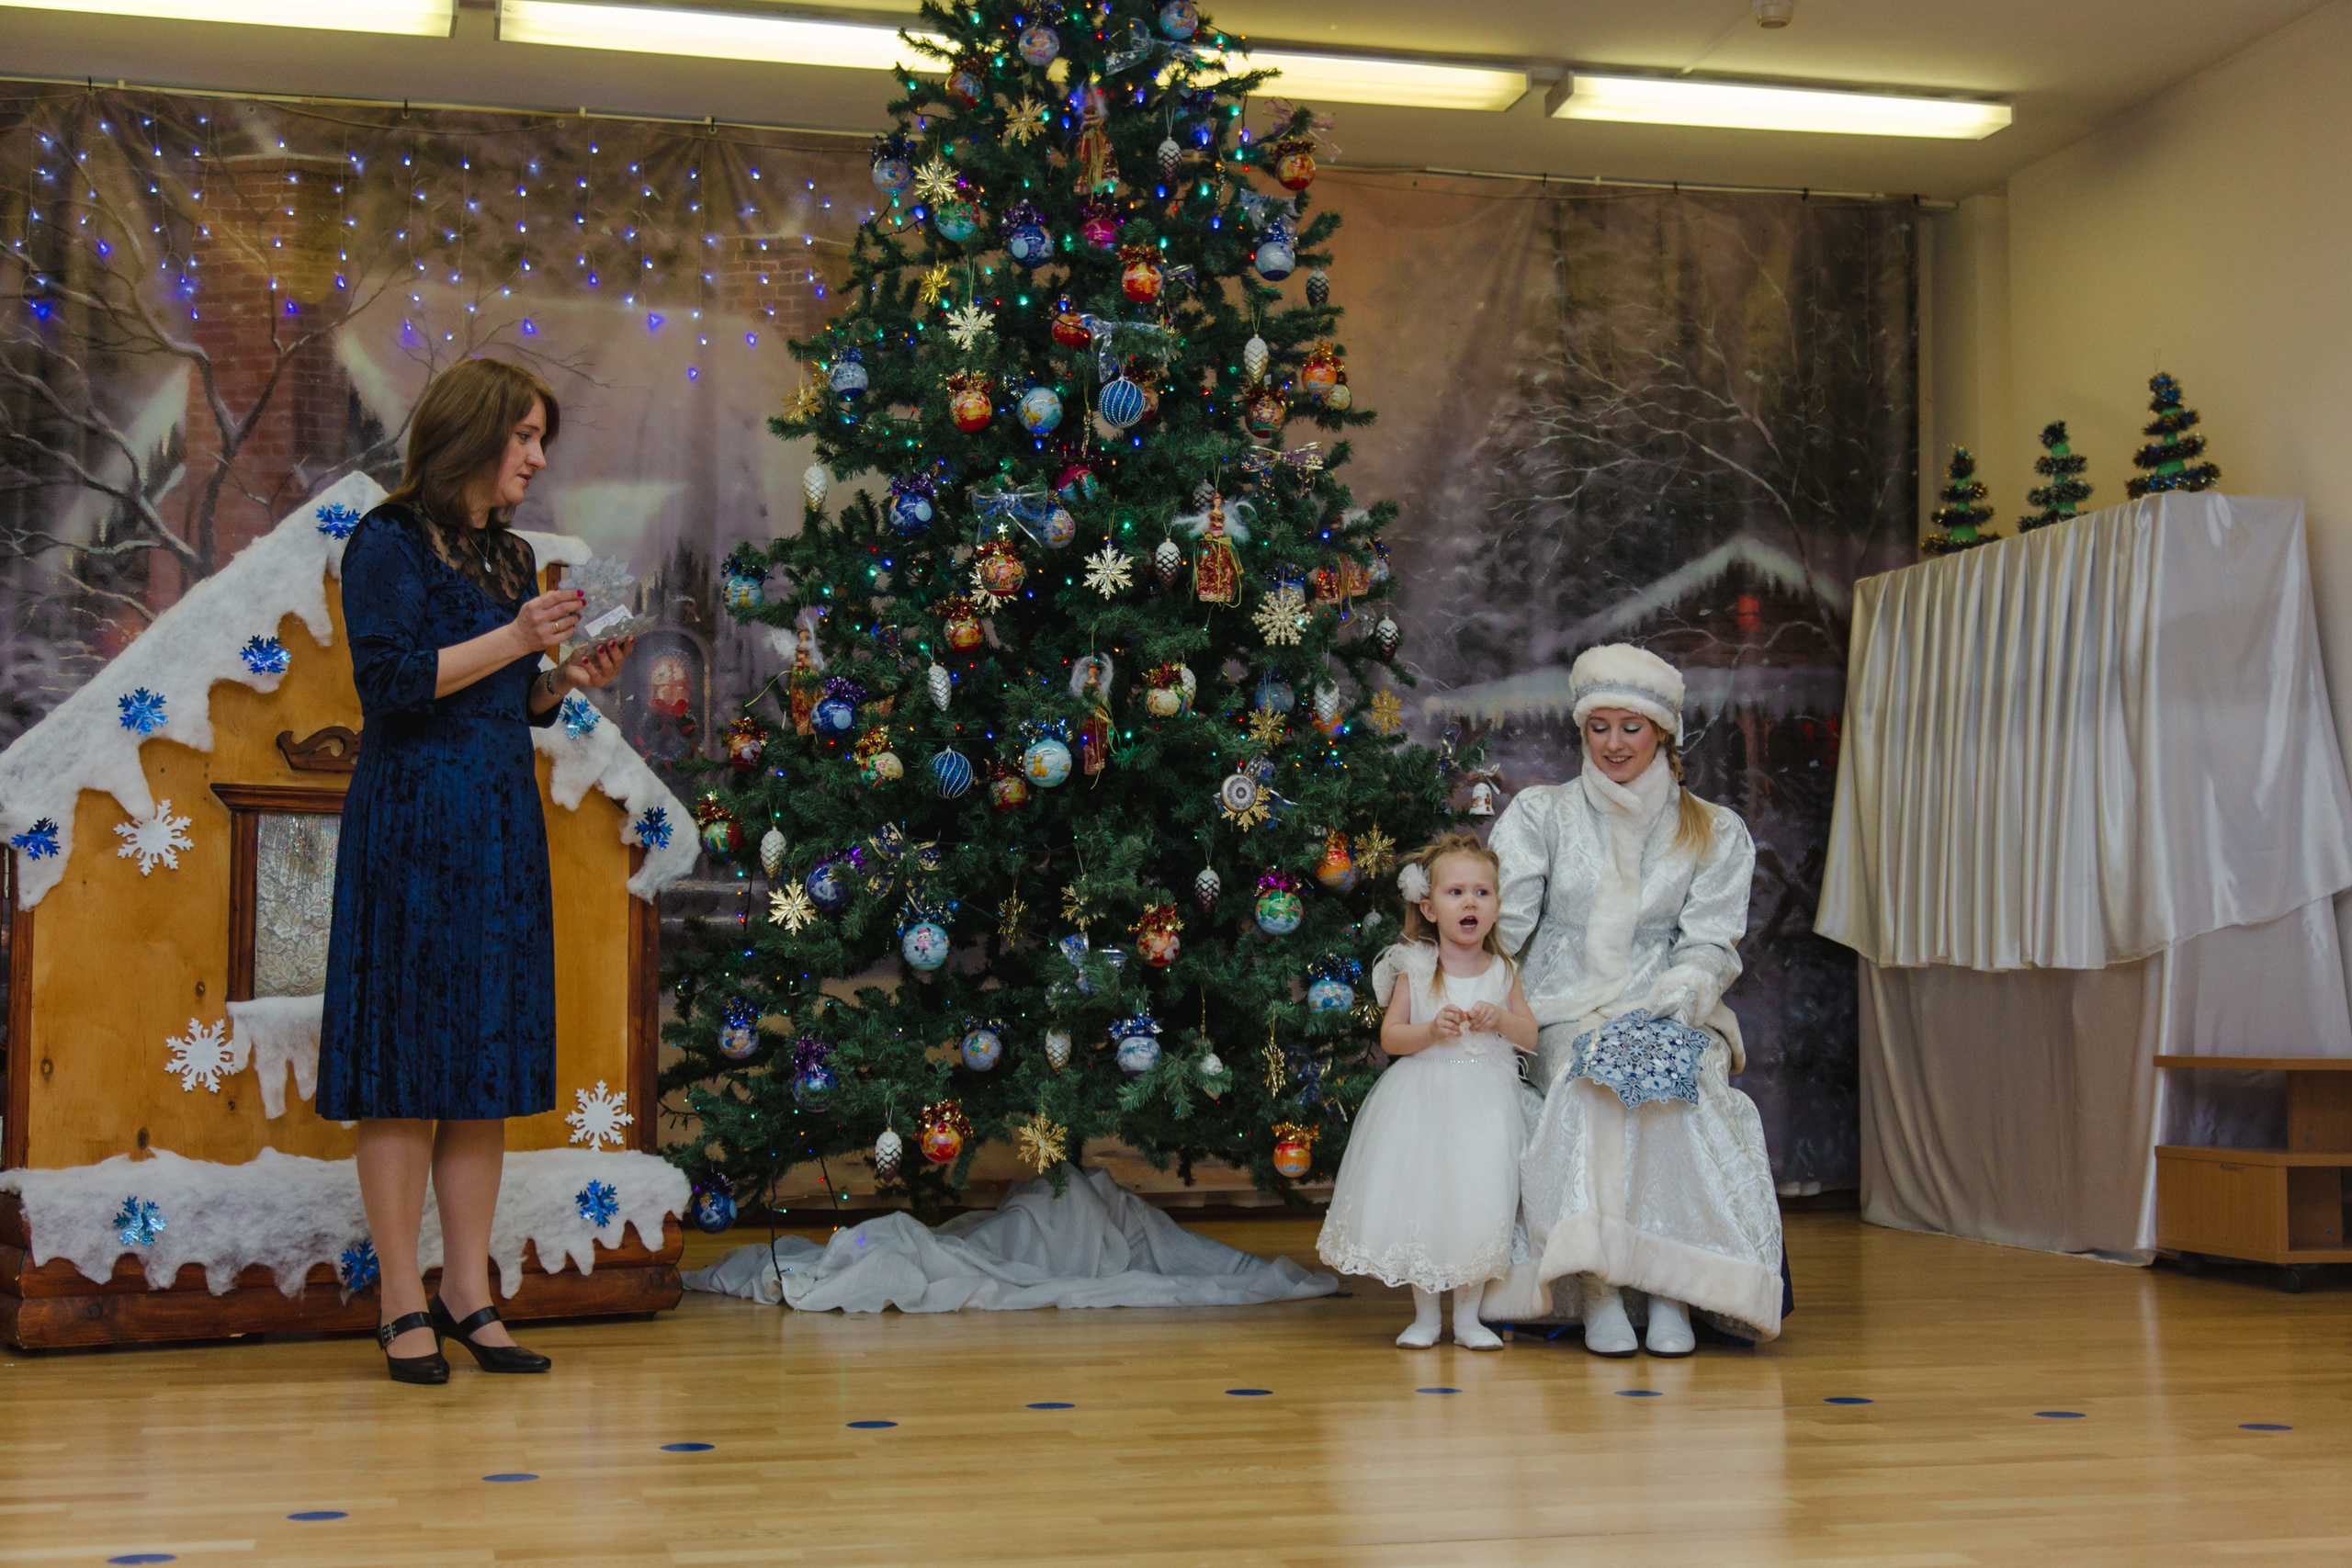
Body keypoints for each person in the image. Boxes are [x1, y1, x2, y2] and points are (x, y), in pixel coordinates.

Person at [317, 358, 632, 1385]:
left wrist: (557, 681)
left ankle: (467, 1291)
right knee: (407, 1072)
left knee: (480, 1071)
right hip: (410, 824)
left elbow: (502, 702)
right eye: (526, 437)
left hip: (498, 821)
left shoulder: (508, 555)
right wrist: (513, 637)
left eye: (542, 439)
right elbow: (395, 685)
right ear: (473, 434)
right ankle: (401, 1300)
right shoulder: (386, 541)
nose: (538, 459)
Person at [1487, 643, 1783, 1356]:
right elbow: (1503, 923)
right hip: (1563, 1005)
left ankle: (1670, 1286)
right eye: (1599, 726)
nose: (1614, 743)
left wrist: (1680, 1000)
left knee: (1671, 1082)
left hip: (1667, 1004)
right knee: (1585, 1078)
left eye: (1631, 727)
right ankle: (1599, 1288)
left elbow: (1711, 942)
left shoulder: (1711, 829)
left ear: (1663, 733)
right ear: (1582, 730)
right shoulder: (1542, 815)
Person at [1317, 832, 1540, 1349]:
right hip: (1423, 1100)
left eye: (1481, 893)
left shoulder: (1504, 970)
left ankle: (1467, 1319)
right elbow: (1392, 1038)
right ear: (1429, 907)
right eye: (1455, 892)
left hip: (1485, 1103)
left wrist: (1500, 1017)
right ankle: (1424, 1316)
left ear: (1497, 906)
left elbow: (1529, 1036)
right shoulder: (1414, 968)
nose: (1469, 902)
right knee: (1426, 1200)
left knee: (1478, 1200)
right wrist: (1431, 1031)